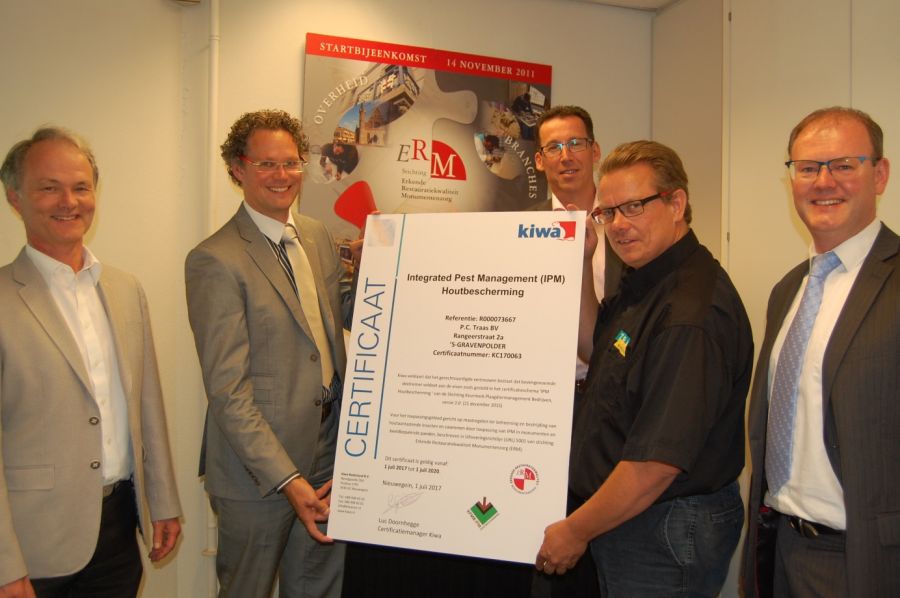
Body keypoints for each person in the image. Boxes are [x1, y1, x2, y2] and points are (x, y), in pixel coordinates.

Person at [537, 140, 752, 597]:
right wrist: (580, 264)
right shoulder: (648, 280)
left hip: (663, 531)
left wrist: (575, 530)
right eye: (608, 212)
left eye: (634, 206)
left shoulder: (690, 314)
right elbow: (599, 351)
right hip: (633, 520)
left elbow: (655, 464)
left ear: (676, 203)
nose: (618, 225)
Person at [0, 127, 182, 596]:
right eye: (49, 187)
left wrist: (163, 500)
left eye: (81, 187)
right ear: (16, 198)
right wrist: (4, 564)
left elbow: (147, 406)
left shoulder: (125, 289)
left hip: (118, 530)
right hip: (34, 544)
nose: (69, 201)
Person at [186, 109, 349, 598]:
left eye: (291, 162)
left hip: (327, 453)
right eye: (267, 164)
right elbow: (228, 392)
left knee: (318, 587)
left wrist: (392, 261)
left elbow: (340, 315)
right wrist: (288, 478)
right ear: (238, 169)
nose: (283, 175)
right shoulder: (215, 259)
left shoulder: (317, 236)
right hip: (257, 474)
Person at [741, 107, 899, 597]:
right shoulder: (788, 290)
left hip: (866, 561)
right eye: (808, 168)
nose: (823, 182)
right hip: (779, 549)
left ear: (879, 175)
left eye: (844, 165)